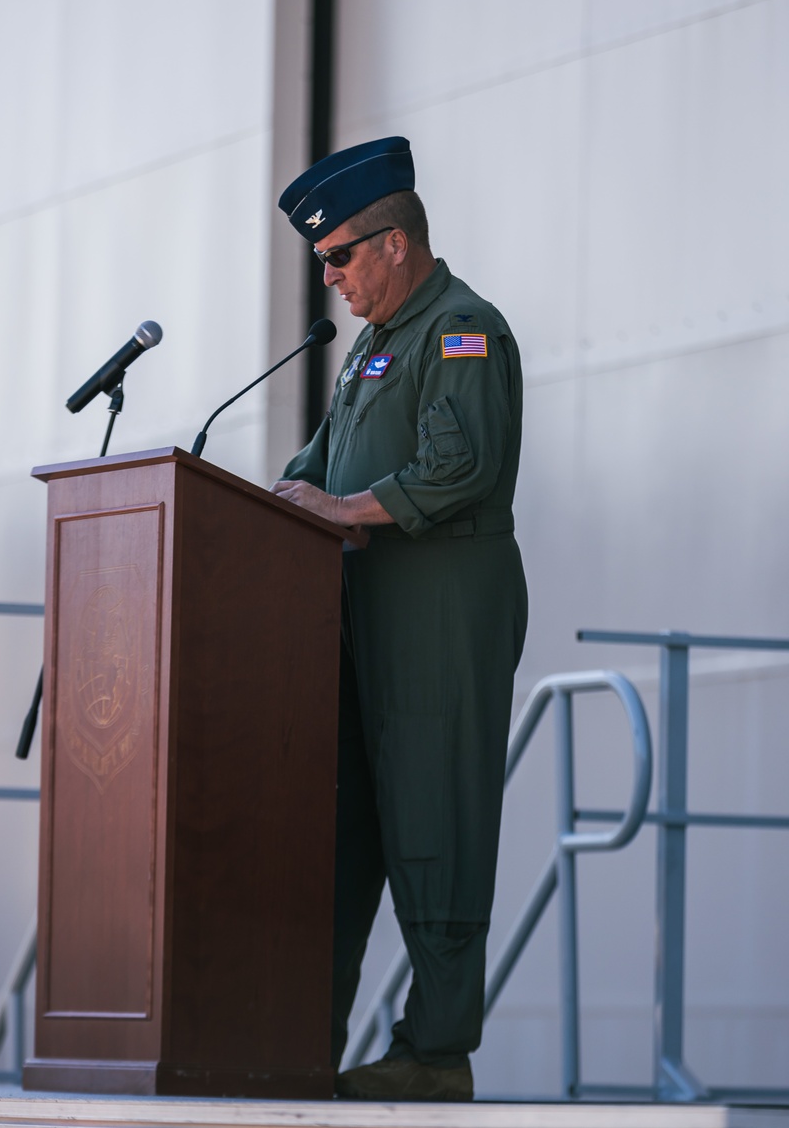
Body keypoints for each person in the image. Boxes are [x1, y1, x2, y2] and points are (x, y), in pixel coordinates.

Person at [271, 136, 528, 1102]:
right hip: (362, 625)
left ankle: (434, 1050)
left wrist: (341, 512)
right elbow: (317, 469)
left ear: (396, 242)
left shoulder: (463, 330)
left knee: (437, 823)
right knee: (343, 836)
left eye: (339, 255)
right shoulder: (374, 349)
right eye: (323, 261)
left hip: (439, 619)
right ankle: (303, 1041)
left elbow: (457, 470)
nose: (331, 277)